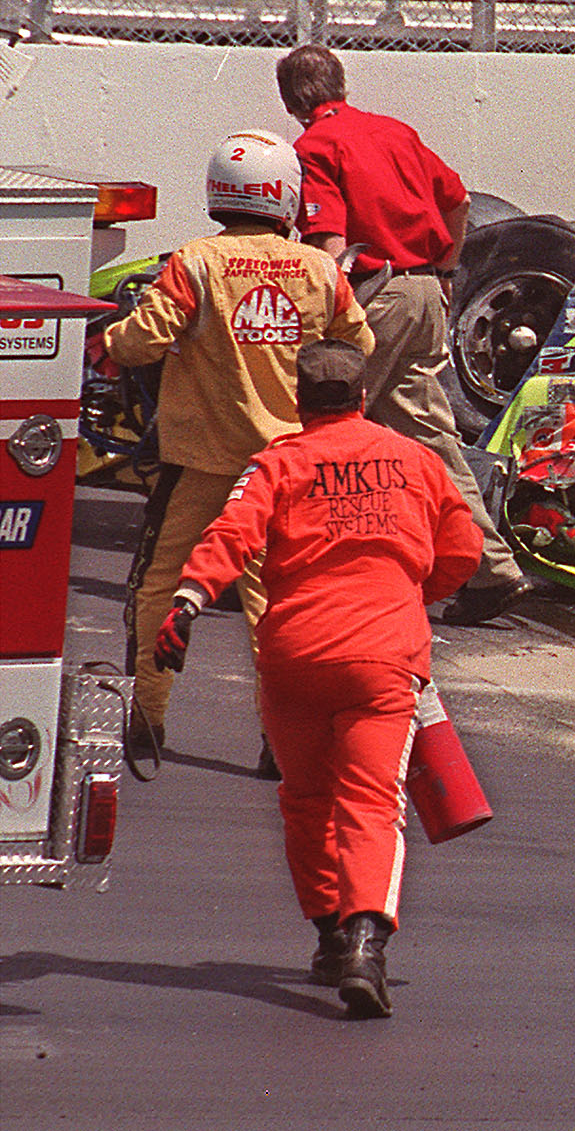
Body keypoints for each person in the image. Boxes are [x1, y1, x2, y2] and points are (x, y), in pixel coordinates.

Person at [152, 340, 483, 1019]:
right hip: (383, 657)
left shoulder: (280, 461)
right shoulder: (415, 459)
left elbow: (232, 532)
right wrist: (416, 592)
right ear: (363, 397)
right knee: (370, 803)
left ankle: (330, 935)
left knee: (305, 800)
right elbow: (463, 549)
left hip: (294, 657)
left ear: (301, 404)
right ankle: (366, 944)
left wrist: (187, 600)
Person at [93, 129, 373, 757]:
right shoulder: (321, 269)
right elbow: (359, 347)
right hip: (285, 468)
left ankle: (147, 722)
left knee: (160, 586)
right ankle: (283, 737)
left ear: (219, 191)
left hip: (199, 464)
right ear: (287, 197)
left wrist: (108, 343)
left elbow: (141, 343)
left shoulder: (193, 262)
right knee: (274, 602)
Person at [277, 43, 530, 625]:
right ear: (340, 83)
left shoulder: (314, 145)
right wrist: (445, 270)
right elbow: (460, 200)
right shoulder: (395, 131)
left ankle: (303, 563)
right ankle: (494, 571)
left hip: (377, 295)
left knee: (306, 420)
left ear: (292, 99)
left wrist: (323, 317)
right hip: (426, 294)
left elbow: (329, 245)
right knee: (431, 441)